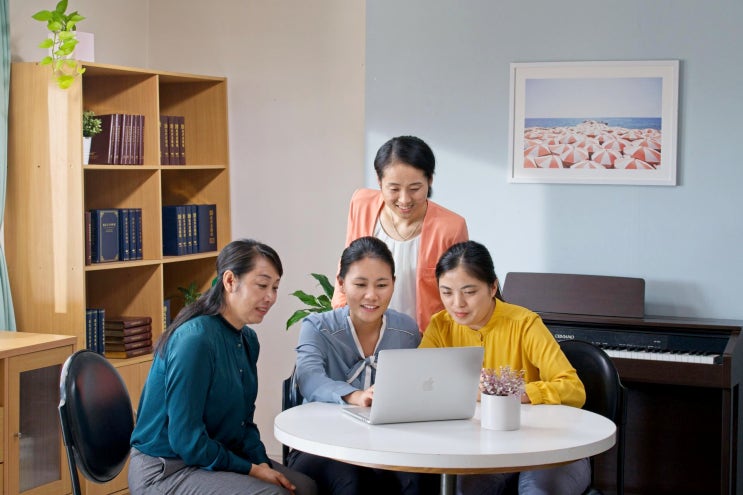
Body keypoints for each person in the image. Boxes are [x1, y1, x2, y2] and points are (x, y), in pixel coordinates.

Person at [129, 239, 317, 495]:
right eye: (262, 285)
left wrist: (261, 462)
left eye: (275, 287)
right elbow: (187, 441)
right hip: (167, 470)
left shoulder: (248, 339)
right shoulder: (194, 341)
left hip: (211, 457)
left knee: (306, 488)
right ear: (230, 281)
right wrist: (252, 471)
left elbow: (244, 424)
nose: (270, 297)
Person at [420, 240, 590, 495]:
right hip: (483, 448)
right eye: (447, 292)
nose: (458, 304)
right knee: (462, 489)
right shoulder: (441, 325)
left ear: (492, 287)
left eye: (469, 291)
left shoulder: (524, 323)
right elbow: (420, 383)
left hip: (545, 444)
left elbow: (574, 390)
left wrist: (517, 394)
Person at [288, 236, 438, 495]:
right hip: (325, 443)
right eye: (360, 284)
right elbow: (308, 378)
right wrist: (355, 395)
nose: (372, 296)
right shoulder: (318, 327)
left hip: (391, 445)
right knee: (352, 480)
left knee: (420, 478)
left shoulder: (407, 330)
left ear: (393, 284)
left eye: (382, 284)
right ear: (341, 283)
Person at [331, 135, 469, 332]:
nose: (404, 200)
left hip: (424, 339)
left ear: (430, 180)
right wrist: (342, 316)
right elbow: (346, 264)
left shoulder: (451, 227)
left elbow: (457, 294)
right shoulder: (361, 204)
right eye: (394, 189)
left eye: (415, 188)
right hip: (363, 331)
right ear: (379, 181)